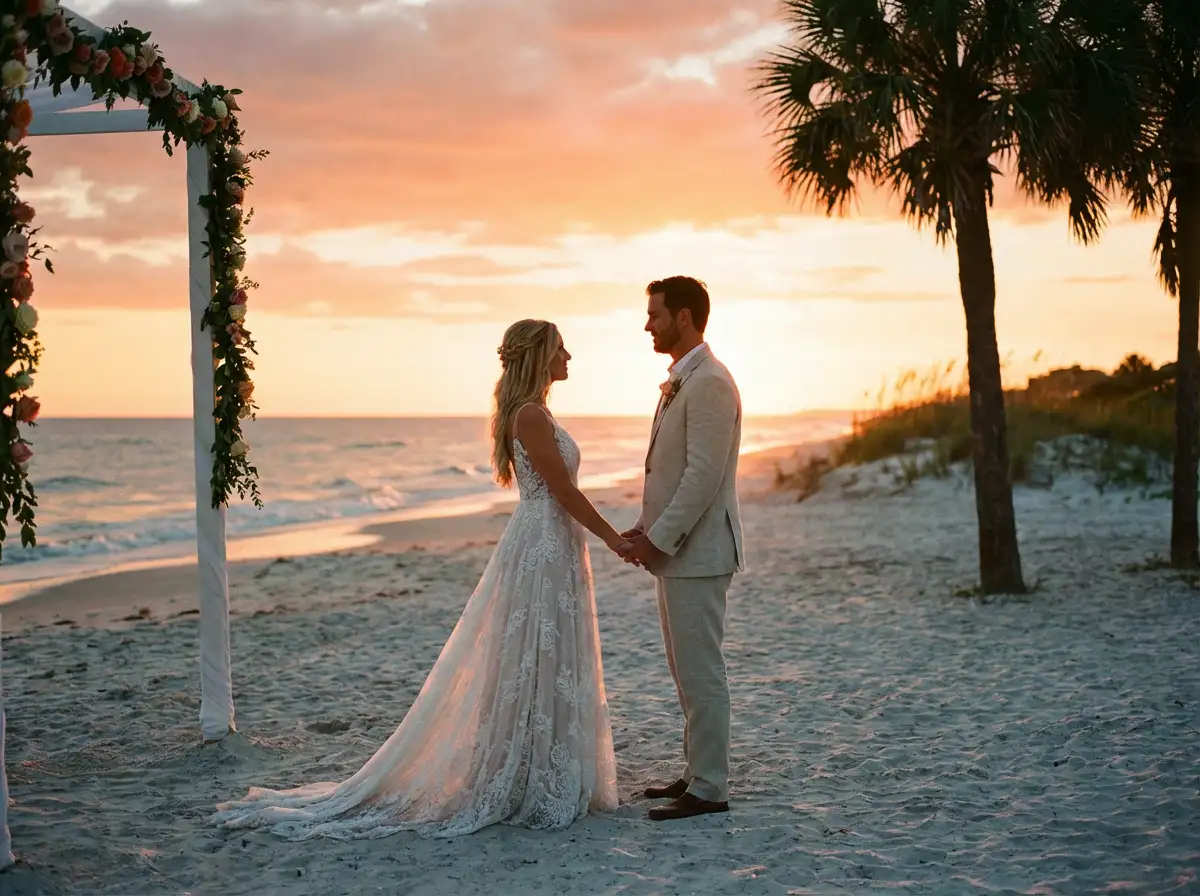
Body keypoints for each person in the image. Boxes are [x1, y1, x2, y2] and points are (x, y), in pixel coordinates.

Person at [212, 319, 623, 839]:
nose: (570, 356)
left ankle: (542, 766)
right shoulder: (532, 416)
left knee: (547, 651)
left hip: (551, 541)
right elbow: (563, 491)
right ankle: (524, 774)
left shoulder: (533, 412)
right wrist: (615, 538)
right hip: (542, 541)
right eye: (562, 348)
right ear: (541, 356)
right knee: (534, 650)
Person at [619, 276, 744, 822]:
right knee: (684, 670)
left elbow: (702, 478)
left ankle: (711, 789)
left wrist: (658, 540)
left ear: (686, 317)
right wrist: (644, 527)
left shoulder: (711, 382)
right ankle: (695, 773)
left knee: (702, 671)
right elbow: (668, 473)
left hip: (700, 552)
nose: (648, 324)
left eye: (655, 314)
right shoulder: (681, 381)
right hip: (677, 552)